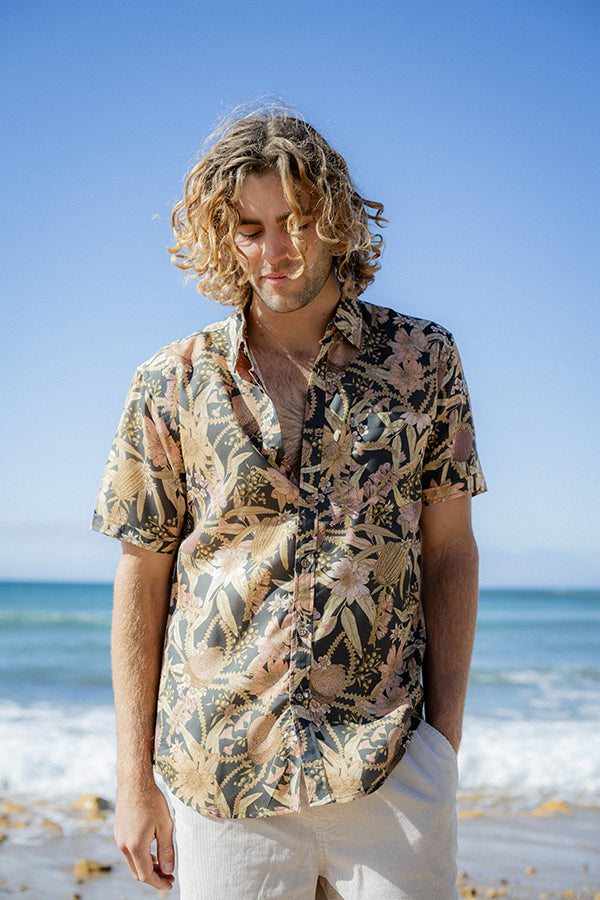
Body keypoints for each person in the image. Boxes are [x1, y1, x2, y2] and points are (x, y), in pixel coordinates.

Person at [92, 105, 486, 900]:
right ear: (222, 236)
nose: (276, 250)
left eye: (299, 220)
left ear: (337, 221)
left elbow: (450, 550)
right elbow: (143, 575)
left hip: (387, 761)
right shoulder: (169, 382)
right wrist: (134, 783)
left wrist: (441, 746)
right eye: (249, 227)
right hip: (223, 775)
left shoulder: (424, 362)